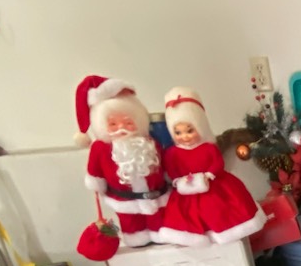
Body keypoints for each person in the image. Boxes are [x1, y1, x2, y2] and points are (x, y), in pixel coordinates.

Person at [159, 88, 266, 246]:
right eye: (178, 132)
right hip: (187, 192)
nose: (185, 136)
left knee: (221, 211)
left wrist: (209, 174)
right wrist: (177, 180)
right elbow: (172, 170)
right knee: (186, 217)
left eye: (189, 130)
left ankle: (225, 234)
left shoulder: (208, 148)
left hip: (214, 186)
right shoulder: (172, 153)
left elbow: (217, 163)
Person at [76, 76, 169, 248]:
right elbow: (95, 173)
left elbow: (164, 165)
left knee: (161, 227)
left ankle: (159, 233)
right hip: (125, 202)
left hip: (158, 200)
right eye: (113, 124)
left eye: (128, 122)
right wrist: (97, 185)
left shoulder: (150, 142)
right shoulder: (100, 148)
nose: (122, 128)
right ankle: (136, 237)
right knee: (133, 227)